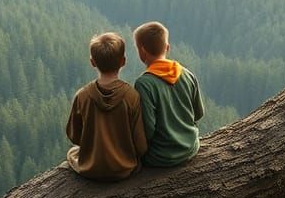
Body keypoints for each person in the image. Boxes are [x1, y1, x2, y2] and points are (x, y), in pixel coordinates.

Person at [66, 32, 148, 180]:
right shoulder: (131, 96)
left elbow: (74, 136)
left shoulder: (82, 95)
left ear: (92, 62)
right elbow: (140, 144)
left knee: (72, 152)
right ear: (123, 61)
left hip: (90, 168)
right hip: (124, 168)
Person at [132, 21, 204, 167]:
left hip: (161, 156)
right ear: (167, 47)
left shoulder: (144, 84)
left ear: (142, 51)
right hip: (190, 147)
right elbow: (198, 114)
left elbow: (148, 130)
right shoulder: (187, 74)